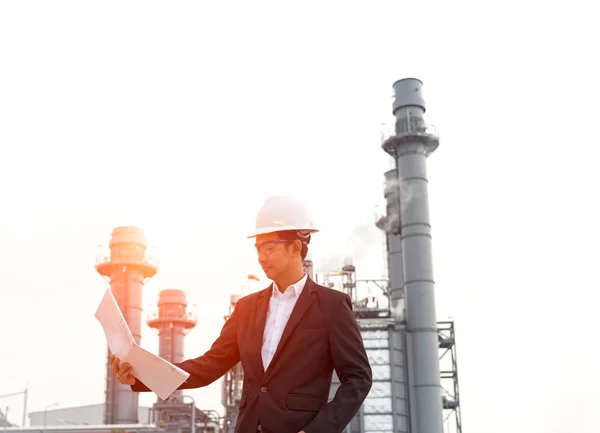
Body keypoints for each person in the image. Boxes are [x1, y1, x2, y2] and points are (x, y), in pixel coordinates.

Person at [111, 196, 372, 433]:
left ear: (295, 247)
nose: (261, 257)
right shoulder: (247, 308)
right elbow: (209, 366)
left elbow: (358, 378)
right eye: (258, 249)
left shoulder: (331, 305)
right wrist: (141, 375)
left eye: (269, 249)